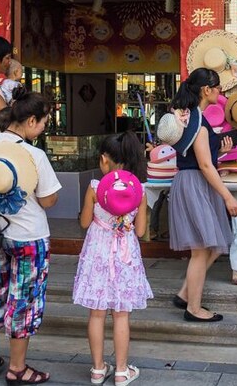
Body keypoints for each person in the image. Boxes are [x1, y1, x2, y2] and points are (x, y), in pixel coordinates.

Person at [0, 87, 60, 385]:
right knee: (24, 298)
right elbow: (48, 199)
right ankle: (18, 368)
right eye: (44, 122)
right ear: (31, 120)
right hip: (28, 237)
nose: (44, 128)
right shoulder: (34, 155)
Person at [73, 132, 152, 386]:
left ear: (104, 159)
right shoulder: (139, 190)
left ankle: (98, 370)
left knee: (97, 314)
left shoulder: (95, 188)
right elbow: (140, 231)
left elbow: (85, 222)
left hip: (97, 252)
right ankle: (121, 371)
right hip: (125, 254)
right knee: (121, 315)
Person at [167, 68, 237, 322]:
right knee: (201, 250)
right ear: (206, 90)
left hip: (192, 181)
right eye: (218, 87)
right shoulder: (197, 121)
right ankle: (194, 309)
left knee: (212, 245)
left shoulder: (189, 116)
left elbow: (199, 158)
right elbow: (205, 165)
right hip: (196, 183)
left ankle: (186, 294)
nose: (220, 91)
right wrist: (228, 197)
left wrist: (219, 152)